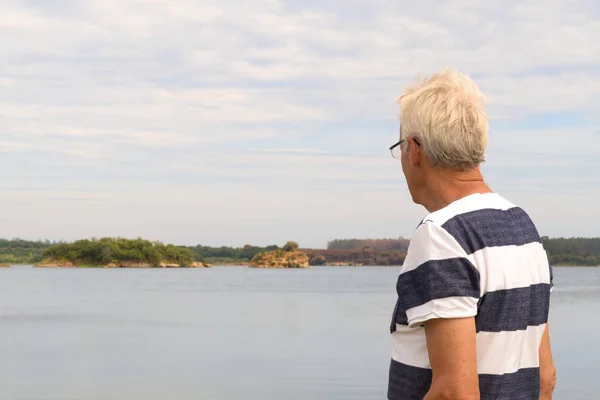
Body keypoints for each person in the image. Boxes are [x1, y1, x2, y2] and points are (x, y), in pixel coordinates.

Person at [387, 68, 556, 400]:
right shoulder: (524, 229)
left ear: (414, 150)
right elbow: (544, 377)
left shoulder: (441, 235)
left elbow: (455, 393)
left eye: (400, 149)